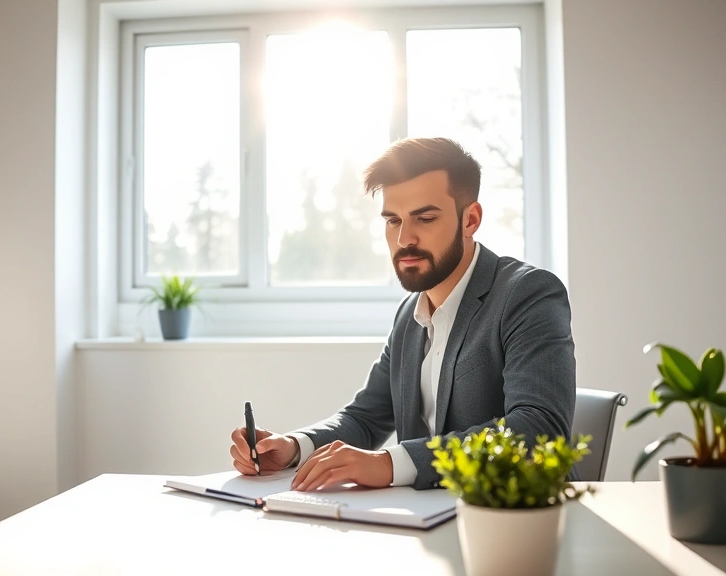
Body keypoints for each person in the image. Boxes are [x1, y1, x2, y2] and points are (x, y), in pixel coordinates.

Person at [229, 137, 577, 491]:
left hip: (516, 521)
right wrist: (293, 448)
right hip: (424, 521)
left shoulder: (528, 294)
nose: (403, 238)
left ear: (470, 219)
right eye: (393, 221)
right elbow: (366, 419)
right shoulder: (410, 313)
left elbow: (538, 429)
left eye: (424, 218)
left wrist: (391, 463)